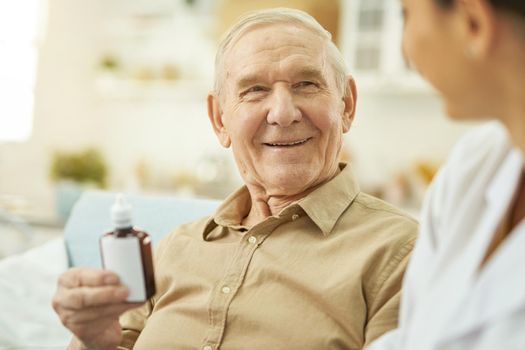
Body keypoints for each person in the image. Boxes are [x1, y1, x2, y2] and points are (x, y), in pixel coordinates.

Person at [52, 8, 417, 350]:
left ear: (347, 105)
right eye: (254, 90)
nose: (283, 112)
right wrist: (93, 340)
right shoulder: (175, 248)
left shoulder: (401, 252)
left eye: (306, 83)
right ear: (219, 120)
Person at [368, 0, 525, 349]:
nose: (405, 49)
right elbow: (416, 338)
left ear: (473, 23)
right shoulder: (474, 166)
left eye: (406, 14)